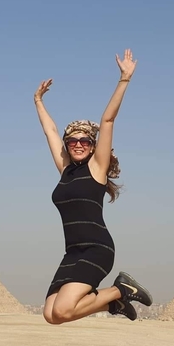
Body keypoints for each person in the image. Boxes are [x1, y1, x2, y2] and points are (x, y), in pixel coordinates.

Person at [34, 48, 153, 325]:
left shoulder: (96, 168)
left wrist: (124, 79)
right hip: (72, 252)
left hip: (96, 249)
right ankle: (115, 302)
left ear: (92, 146)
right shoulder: (65, 169)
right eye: (72, 140)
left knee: (63, 310)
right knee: (51, 314)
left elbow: (108, 120)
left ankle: (120, 289)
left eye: (84, 140)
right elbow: (50, 131)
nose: (77, 143)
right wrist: (38, 100)